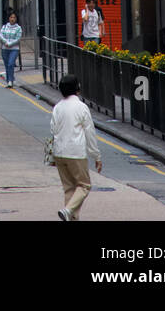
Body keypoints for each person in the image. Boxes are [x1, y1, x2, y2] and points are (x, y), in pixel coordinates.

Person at [50, 74, 102, 222]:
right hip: (76, 153)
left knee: (69, 189)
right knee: (84, 186)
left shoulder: (57, 107)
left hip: (59, 152)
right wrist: (96, 156)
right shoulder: (81, 107)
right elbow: (90, 133)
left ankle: (70, 216)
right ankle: (67, 210)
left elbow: (53, 130)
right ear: (77, 89)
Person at [0, 11, 23, 87]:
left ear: (16, 19)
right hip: (4, 49)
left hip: (14, 49)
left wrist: (10, 44)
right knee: (7, 65)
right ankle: (10, 80)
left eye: (14, 17)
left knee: (10, 64)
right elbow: (1, 35)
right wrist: (5, 42)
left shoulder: (18, 28)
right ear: (9, 18)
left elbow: (18, 38)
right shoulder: (4, 26)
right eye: (11, 17)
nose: (12, 19)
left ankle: (10, 80)